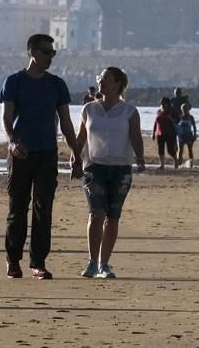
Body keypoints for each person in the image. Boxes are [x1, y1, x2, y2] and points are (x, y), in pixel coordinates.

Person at [0, 33, 77, 280]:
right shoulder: (14, 82)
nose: (51, 57)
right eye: (46, 52)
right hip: (21, 154)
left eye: (53, 53)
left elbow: (66, 122)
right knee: (18, 208)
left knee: (44, 210)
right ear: (32, 52)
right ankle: (13, 260)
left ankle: (38, 263)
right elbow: (6, 117)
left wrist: (76, 153)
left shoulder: (57, 84)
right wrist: (12, 142)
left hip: (47, 154)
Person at [72, 67, 146, 280]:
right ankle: (92, 262)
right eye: (100, 78)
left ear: (118, 84)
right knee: (96, 213)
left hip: (121, 170)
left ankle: (104, 264)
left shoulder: (129, 111)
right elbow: (80, 138)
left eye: (106, 79)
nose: (101, 82)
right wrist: (75, 158)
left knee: (112, 218)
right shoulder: (89, 109)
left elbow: (136, 136)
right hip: (94, 168)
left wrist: (140, 158)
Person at [152, 97, 178, 169]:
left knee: (170, 150)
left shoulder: (172, 111)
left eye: (164, 103)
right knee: (160, 149)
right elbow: (155, 122)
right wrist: (153, 133)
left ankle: (176, 160)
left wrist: (171, 118)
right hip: (160, 133)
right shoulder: (159, 111)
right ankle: (162, 165)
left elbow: (177, 121)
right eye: (162, 103)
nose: (163, 105)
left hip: (170, 134)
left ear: (168, 104)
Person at [176, 103, 198, 168]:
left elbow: (194, 126)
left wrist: (194, 134)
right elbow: (177, 126)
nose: (185, 110)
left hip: (189, 136)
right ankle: (179, 164)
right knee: (180, 151)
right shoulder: (180, 117)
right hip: (181, 136)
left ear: (188, 109)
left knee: (190, 150)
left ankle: (191, 164)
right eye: (183, 109)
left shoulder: (191, 117)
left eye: (186, 108)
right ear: (181, 109)